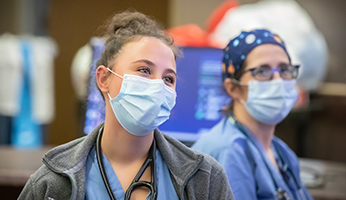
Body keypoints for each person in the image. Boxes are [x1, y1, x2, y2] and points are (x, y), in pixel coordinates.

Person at [18, 11, 233, 200]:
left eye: (168, 79)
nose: (158, 85)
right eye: (144, 70)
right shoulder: (52, 182)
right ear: (103, 79)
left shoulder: (205, 178)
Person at [192, 29, 313, 200]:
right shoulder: (229, 152)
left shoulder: (281, 152)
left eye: (285, 69)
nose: (278, 81)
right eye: (262, 71)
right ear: (233, 88)